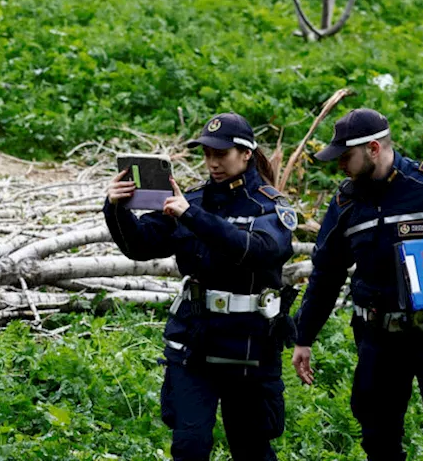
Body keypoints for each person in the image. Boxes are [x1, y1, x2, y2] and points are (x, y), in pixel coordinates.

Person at [291, 108, 423, 461]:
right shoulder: (346, 203)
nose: (340, 166)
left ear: (374, 148)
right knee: (378, 438)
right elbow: (326, 273)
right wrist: (304, 337)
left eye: (346, 157)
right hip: (376, 337)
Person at [104, 113, 297, 461]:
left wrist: (191, 217)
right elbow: (140, 246)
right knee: (189, 446)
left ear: (246, 154)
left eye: (221, 154)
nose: (212, 163)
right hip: (195, 341)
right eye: (207, 154)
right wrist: (116, 208)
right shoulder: (190, 201)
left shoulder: (270, 206)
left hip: (250, 347)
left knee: (251, 448)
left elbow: (259, 250)